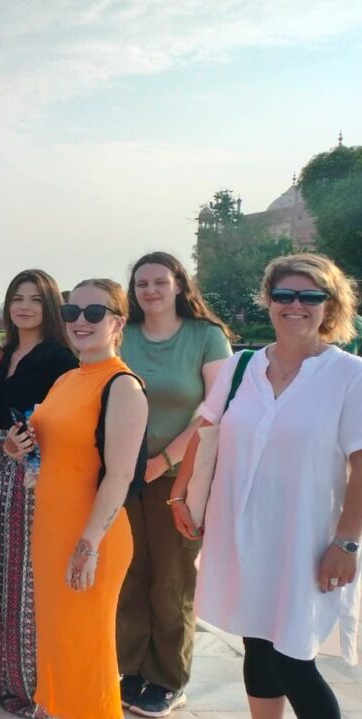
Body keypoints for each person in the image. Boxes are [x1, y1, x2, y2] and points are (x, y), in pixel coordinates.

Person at [176, 253, 362, 719]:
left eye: (309, 296)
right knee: (257, 643)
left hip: (306, 539)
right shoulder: (242, 367)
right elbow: (205, 433)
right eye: (283, 295)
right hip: (241, 533)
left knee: (293, 656)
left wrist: (347, 542)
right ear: (269, 301)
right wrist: (181, 494)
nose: (294, 305)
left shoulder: (349, 375)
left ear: (330, 305)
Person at [6, 278, 147, 719]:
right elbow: (53, 454)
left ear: (118, 322)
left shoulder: (122, 386)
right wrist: (18, 448)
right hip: (52, 529)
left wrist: (87, 545)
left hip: (91, 537)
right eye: (71, 313)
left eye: (94, 313)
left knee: (86, 648)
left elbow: (120, 475)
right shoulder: (69, 379)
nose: (80, 322)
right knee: (57, 641)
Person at [117, 252, 233, 716]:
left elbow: (215, 411)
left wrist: (163, 459)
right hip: (124, 478)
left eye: (160, 282)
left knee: (172, 581)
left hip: (179, 478)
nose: (150, 291)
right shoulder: (122, 335)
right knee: (129, 576)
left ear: (180, 286)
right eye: (141, 283)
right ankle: (131, 669)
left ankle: (168, 678)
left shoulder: (205, 337)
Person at [0, 269, 77, 717]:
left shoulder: (59, 358)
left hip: (33, 472)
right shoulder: (2, 357)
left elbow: (65, 422)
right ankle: (3, 682)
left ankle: (36, 689)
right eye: (17, 297)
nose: (24, 306)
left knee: (28, 578)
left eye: (34, 299)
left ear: (49, 306)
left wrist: (29, 449)